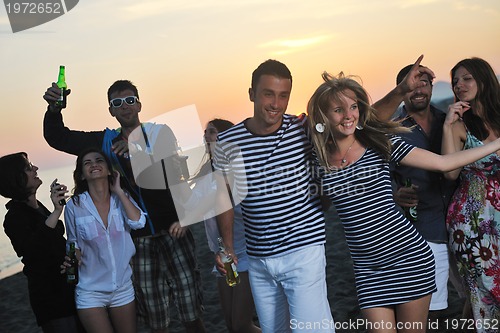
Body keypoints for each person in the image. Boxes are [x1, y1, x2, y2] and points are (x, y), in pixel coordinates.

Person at [306, 70, 500, 332]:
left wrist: (495, 144)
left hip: (408, 259)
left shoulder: (379, 143)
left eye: (353, 107)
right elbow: (320, 202)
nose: (348, 115)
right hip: (367, 272)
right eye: (338, 110)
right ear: (323, 116)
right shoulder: (317, 159)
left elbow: (443, 162)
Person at [43, 80, 206, 333]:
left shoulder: (161, 132)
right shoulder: (105, 142)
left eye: (130, 100)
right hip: (138, 240)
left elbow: (170, 168)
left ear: (139, 104)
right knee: (155, 317)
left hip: (175, 231)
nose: (125, 106)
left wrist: (136, 149)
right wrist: (54, 110)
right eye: (117, 103)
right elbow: (58, 138)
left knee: (191, 309)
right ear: (111, 111)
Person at [213, 60, 335, 333]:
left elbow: (354, 125)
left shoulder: (303, 129)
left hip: (304, 251)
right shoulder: (227, 142)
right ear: (251, 94)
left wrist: (399, 92)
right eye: (269, 93)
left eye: (284, 95)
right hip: (259, 260)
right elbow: (225, 197)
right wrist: (228, 247)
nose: (276, 104)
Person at [381, 63, 458, 318]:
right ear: (401, 91)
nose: (418, 89)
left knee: (477, 297)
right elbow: (378, 174)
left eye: (424, 83)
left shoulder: (449, 120)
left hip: (460, 226)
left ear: (432, 87)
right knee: (432, 312)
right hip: (423, 231)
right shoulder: (391, 130)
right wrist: (394, 193)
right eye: (412, 84)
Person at [183, 118, 261, 333]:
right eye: (205, 132)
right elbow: (190, 206)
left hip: (244, 255)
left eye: (212, 132)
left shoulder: (239, 171)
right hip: (223, 258)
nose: (206, 136)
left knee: (242, 325)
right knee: (230, 325)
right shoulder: (207, 173)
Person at [441, 57, 500, 326]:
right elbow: (449, 172)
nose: (459, 85)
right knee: (482, 292)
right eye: (455, 81)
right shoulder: (459, 124)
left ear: (483, 79)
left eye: (466, 78)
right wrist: (447, 126)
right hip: (472, 221)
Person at [64, 148, 146, 333]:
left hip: (122, 287)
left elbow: (139, 222)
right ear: (82, 175)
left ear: (109, 170)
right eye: (87, 163)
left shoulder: (121, 198)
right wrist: (73, 257)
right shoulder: (74, 205)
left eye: (99, 160)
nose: (94, 164)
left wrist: (118, 190)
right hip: (89, 291)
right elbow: (72, 242)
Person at [0, 152, 83, 333]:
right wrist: (56, 212)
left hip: (71, 288)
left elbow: (58, 242)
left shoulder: (39, 207)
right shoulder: (14, 218)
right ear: (16, 178)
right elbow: (34, 251)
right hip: (51, 298)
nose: (36, 169)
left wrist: (73, 256)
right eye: (29, 168)